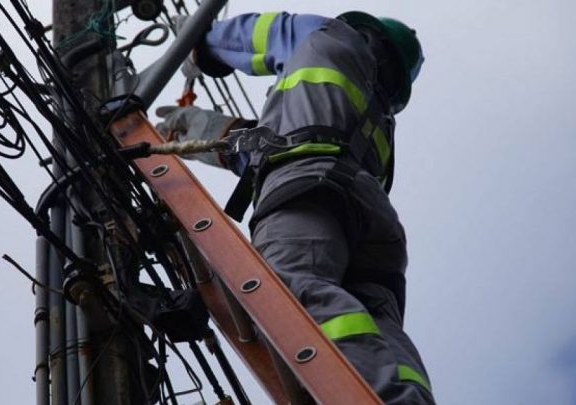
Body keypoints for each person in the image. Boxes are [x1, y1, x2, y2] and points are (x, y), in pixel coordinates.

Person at [156, 11, 433, 405]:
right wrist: (209, 130)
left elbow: (260, 36)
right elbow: (297, 137)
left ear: (366, 32)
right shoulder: (379, 119)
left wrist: (202, 46)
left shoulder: (330, 36)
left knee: (290, 294)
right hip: (370, 218)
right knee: (378, 326)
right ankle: (404, 397)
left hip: (308, 190)